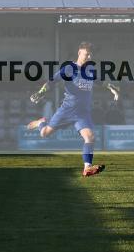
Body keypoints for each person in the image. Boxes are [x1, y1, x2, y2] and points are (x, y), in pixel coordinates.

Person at [25, 42, 106, 176]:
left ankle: (87, 167)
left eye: (91, 55)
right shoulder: (69, 68)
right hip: (67, 110)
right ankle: (41, 123)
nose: (89, 57)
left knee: (90, 137)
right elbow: (52, 81)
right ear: (79, 52)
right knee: (44, 133)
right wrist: (41, 92)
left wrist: (113, 88)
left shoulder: (90, 71)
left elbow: (101, 81)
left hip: (82, 113)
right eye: (87, 54)